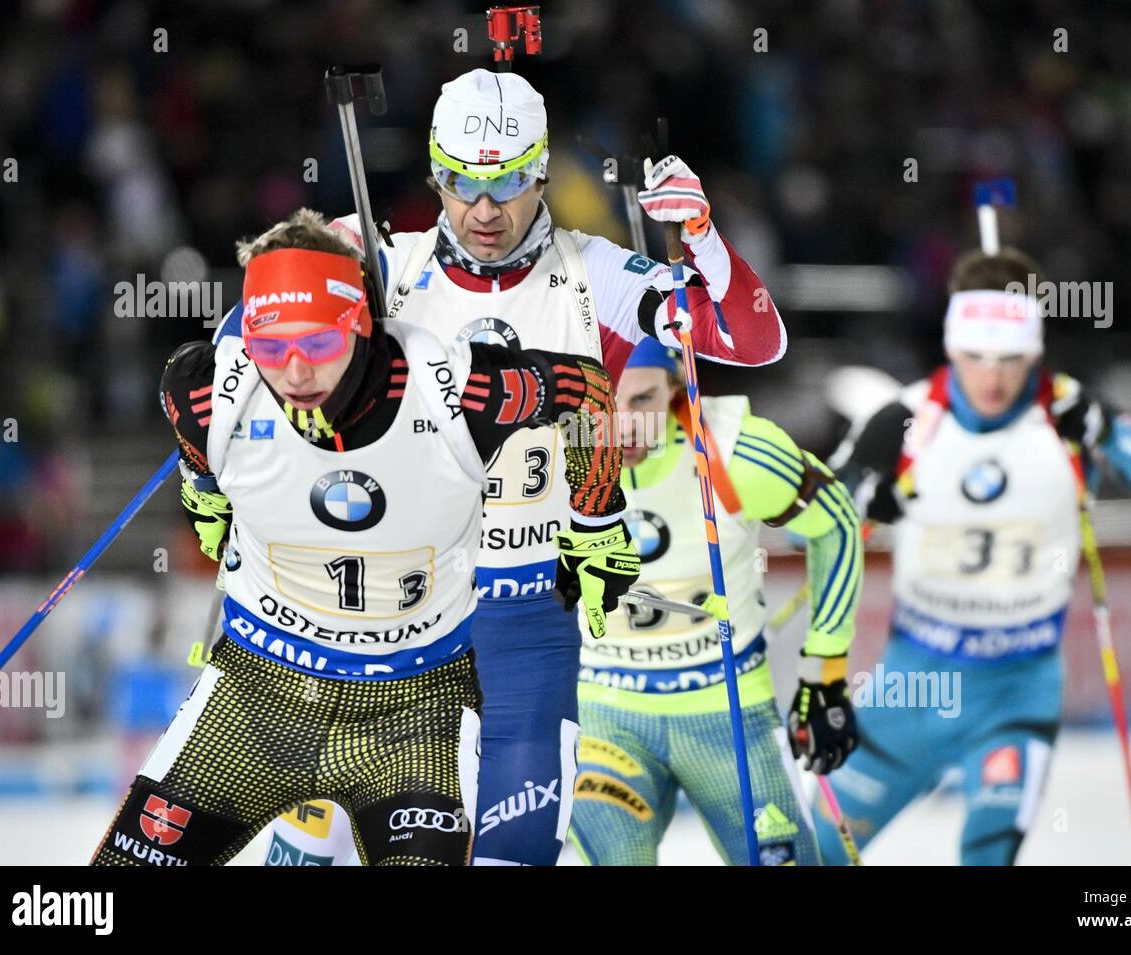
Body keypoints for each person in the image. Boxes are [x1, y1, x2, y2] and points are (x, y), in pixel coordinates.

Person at [252, 67, 788, 865]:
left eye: (508, 181)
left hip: (530, 625)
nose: (485, 209)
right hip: (396, 616)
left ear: (542, 172)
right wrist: (294, 274)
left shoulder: (594, 273)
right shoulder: (385, 266)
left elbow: (754, 342)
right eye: (462, 183)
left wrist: (704, 237)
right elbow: (264, 341)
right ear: (435, 175)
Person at [91, 209, 634, 866]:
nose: (294, 373)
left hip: (414, 714)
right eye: (273, 347)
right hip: (255, 701)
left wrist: (597, 521)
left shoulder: (457, 389)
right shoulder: (206, 388)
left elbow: (586, 389)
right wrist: (204, 491)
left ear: (360, 321)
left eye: (317, 344)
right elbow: (188, 421)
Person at [813, 247, 1131, 865]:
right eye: (976, 356)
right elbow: (811, 528)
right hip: (911, 689)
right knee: (815, 853)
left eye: (1011, 358)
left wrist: (1111, 433)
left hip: (1017, 692)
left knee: (985, 858)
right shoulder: (905, 420)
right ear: (951, 345)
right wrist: (854, 495)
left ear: (1035, 350)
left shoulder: (1069, 415)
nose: (992, 378)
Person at [567, 337, 863, 866]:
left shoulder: (734, 451)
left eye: (642, 400)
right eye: (603, 400)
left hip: (729, 713)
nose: (624, 423)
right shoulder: (539, 456)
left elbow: (836, 523)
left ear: (678, 388)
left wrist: (827, 674)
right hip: (605, 716)